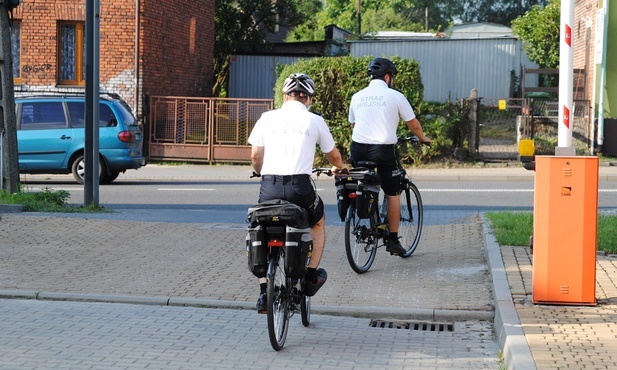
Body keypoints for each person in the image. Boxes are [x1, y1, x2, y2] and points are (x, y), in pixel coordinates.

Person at [248, 73, 347, 312]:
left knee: (261, 224)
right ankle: (310, 276)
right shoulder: (314, 120)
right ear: (309, 99)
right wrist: (339, 167)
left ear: (284, 97)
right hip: (300, 189)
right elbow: (333, 156)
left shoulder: (267, 117)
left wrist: (261, 172)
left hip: (269, 187)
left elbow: (255, 157)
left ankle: (264, 292)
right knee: (318, 221)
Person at [348, 57, 432, 256]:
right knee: (392, 192)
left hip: (358, 148)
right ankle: (393, 240)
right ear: (387, 77)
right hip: (383, 150)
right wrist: (422, 138)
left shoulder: (357, 96)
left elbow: (354, 124)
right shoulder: (395, 96)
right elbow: (413, 124)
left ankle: (364, 219)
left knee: (364, 181)